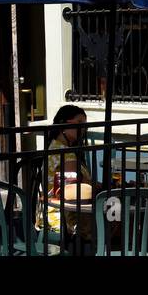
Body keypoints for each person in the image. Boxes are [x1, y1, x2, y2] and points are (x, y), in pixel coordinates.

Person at [42, 104, 95, 245]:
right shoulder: (66, 155)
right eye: (79, 123)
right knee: (118, 217)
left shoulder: (55, 147)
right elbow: (75, 190)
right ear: (63, 123)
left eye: (85, 124)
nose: (83, 128)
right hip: (67, 220)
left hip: (56, 214)